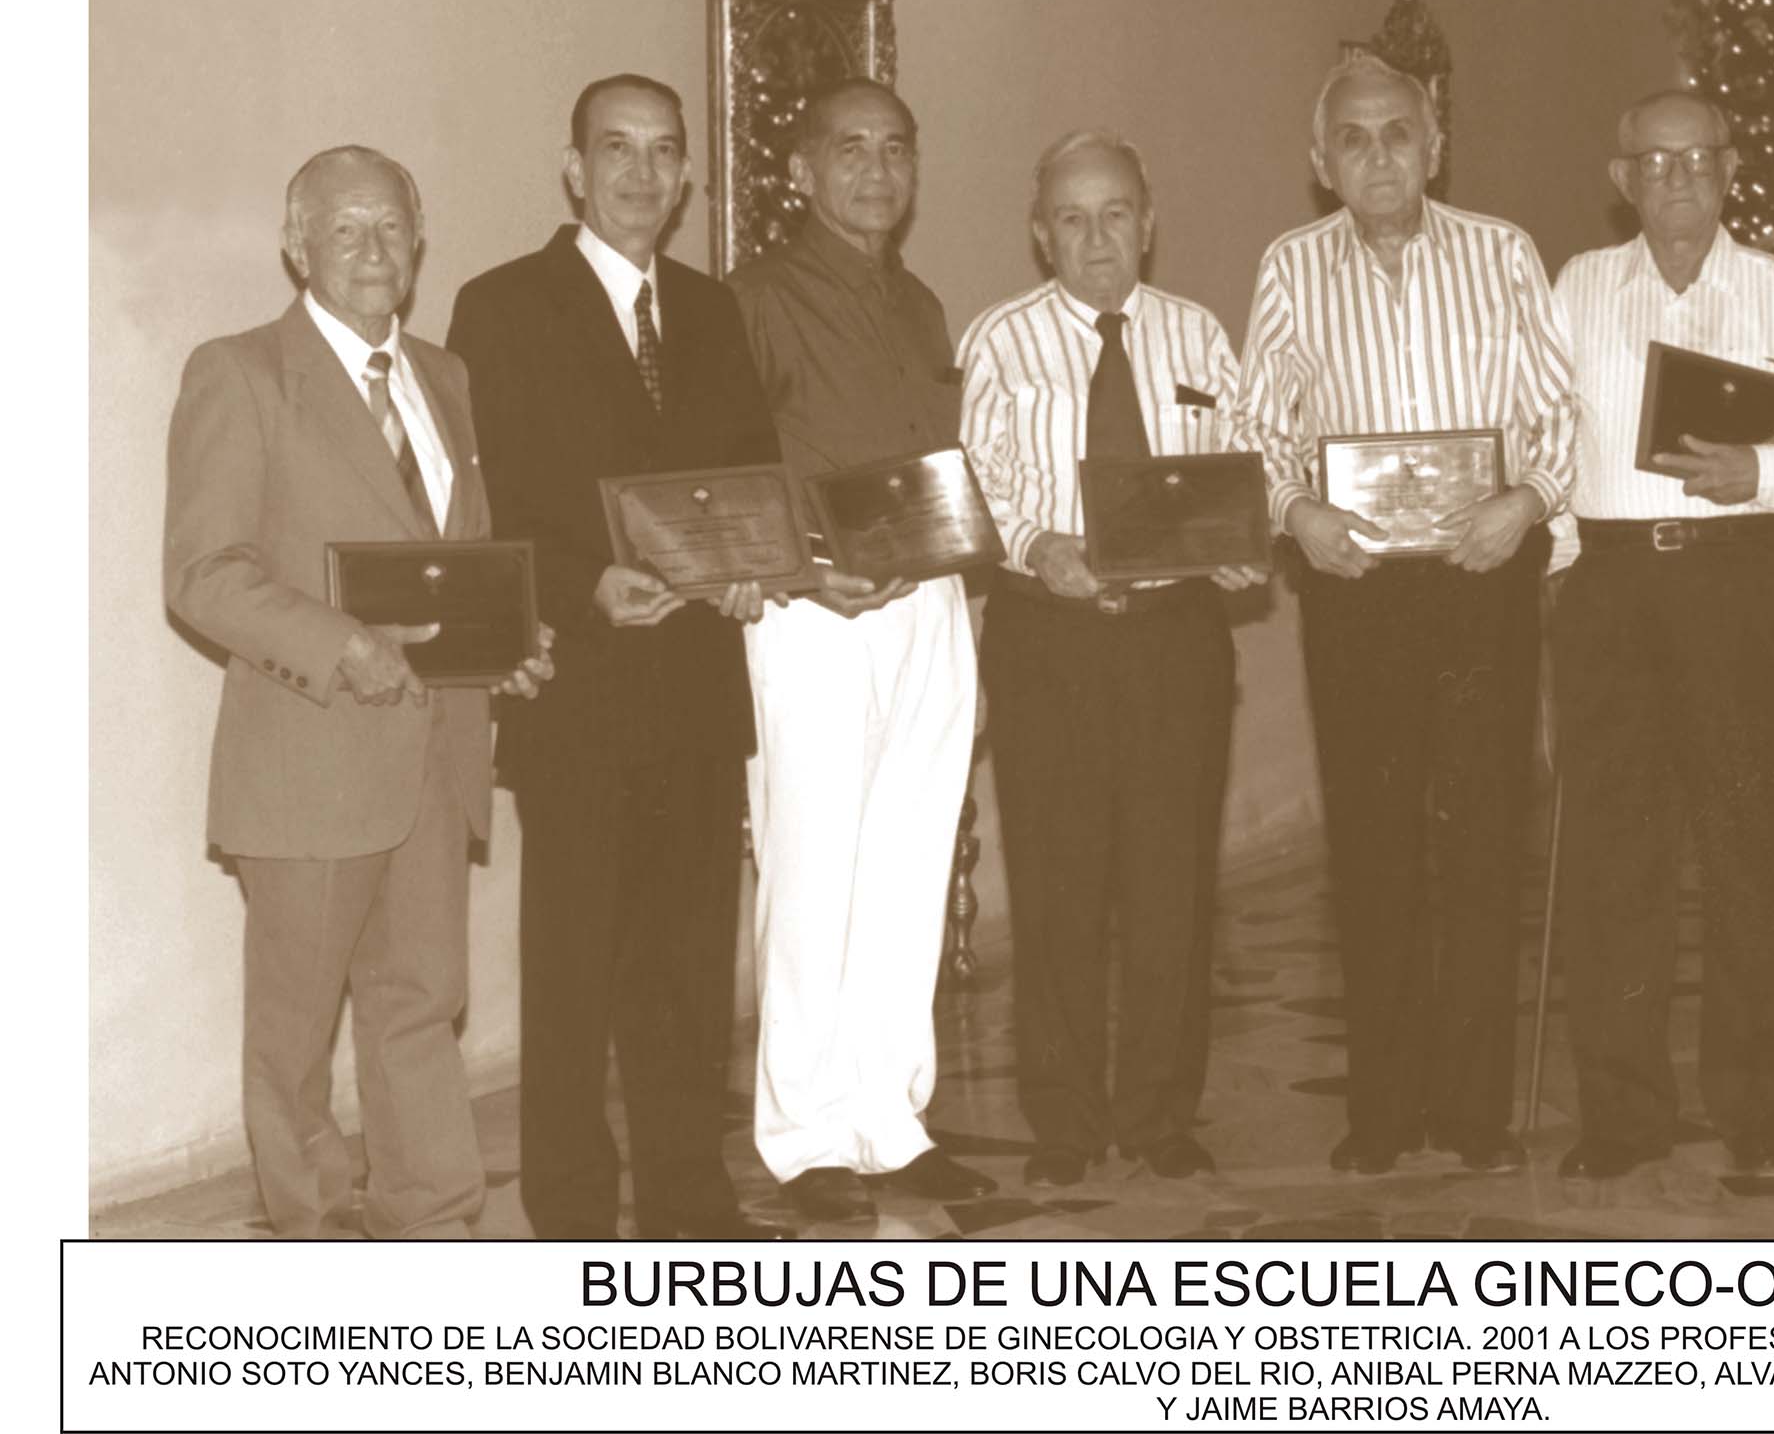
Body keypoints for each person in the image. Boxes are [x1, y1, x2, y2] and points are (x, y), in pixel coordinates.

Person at [165, 145, 552, 1239]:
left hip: (435, 750)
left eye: (391, 226)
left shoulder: (445, 376)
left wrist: (503, 644)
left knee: (420, 1004)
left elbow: (455, 562)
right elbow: (202, 573)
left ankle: (432, 1217)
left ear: (419, 242)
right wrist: (343, 645)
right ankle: (314, 1229)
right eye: (344, 228)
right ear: (297, 247)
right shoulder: (239, 372)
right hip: (310, 753)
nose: (372, 249)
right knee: (293, 1034)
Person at [446, 75, 787, 1241]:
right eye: (617, 148)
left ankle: (692, 1195)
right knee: (574, 972)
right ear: (574, 168)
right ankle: (575, 1210)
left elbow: (749, 471)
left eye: (663, 151)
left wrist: (751, 562)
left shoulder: (711, 308)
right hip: (580, 693)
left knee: (688, 969)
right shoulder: (501, 306)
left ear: (687, 174)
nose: (642, 173)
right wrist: (582, 585)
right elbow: (488, 503)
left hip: (695, 689)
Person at [1232, 51, 1578, 1175]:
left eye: (1397, 134)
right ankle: (1381, 1108)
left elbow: (1556, 409)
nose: (1377, 156)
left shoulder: (1503, 252)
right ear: (1319, 160)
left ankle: (1474, 1109)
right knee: (1373, 844)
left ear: (1435, 147)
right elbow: (1259, 426)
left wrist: (1527, 500)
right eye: (1353, 138)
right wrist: (1297, 513)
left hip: (1482, 577)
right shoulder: (1290, 267)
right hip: (1357, 587)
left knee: (1481, 841)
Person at [1549, 90, 1774, 1184]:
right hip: (1613, 591)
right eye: (1656, 160)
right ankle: (1621, 1114)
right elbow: (1540, 437)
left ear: (1731, 171)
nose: (1679, 177)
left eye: (1698, 158)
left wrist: (1765, 470)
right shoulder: (1574, 289)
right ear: (1622, 179)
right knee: (1614, 861)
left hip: (1751, 585)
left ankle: (1757, 1115)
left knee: (1754, 856)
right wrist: (1559, 572)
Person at [959, 131, 1261, 1188]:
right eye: (1073, 218)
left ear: (1149, 221)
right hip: (1051, 634)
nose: (1097, 238)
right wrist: (1038, 543)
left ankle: (1161, 1112)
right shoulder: (999, 340)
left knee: (1173, 880)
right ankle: (1064, 1118)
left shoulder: (1198, 335)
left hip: (1177, 638)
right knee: (1057, 882)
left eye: (1116, 213)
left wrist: (1240, 540)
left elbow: (1240, 466)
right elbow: (981, 487)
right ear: (1041, 234)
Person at [727, 79, 994, 1222]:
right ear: (800, 171)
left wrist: (959, 602)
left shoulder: (920, 303)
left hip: (927, 601)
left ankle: (890, 1115)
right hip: (815, 613)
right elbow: (735, 462)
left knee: (908, 864)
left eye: (895, 149)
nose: (876, 170)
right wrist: (799, 570)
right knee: (813, 865)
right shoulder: (753, 299)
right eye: (850, 149)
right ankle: (804, 1133)